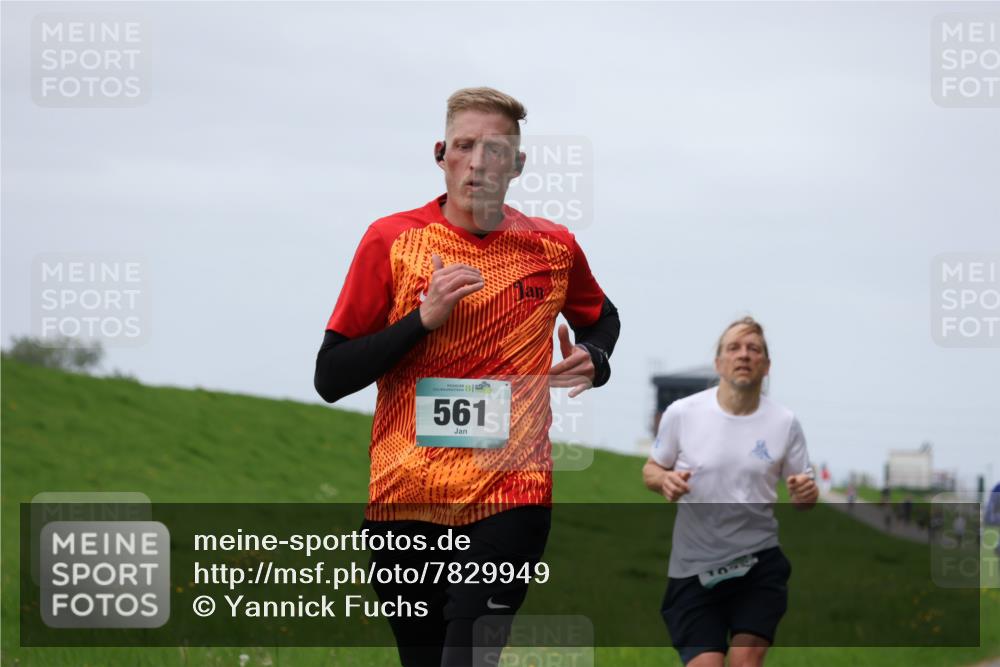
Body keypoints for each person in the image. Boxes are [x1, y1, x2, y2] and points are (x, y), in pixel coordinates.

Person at [314, 87, 620, 667]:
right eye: (465, 146)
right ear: (441, 153)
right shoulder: (392, 241)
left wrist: (596, 358)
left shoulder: (554, 249)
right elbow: (331, 376)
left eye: (496, 149)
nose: (479, 162)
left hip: (512, 491)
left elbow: (602, 316)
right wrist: (421, 321)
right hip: (406, 498)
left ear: (519, 165)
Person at [642, 317, 818, 667]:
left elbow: (804, 497)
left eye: (754, 349)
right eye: (733, 348)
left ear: (766, 366)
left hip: (758, 563)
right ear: (718, 362)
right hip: (694, 567)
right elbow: (651, 469)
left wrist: (805, 492)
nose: (744, 355)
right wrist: (665, 481)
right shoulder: (683, 413)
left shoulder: (784, 423)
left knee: (745, 662)